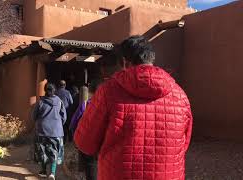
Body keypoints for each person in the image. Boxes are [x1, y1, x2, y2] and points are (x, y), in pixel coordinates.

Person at [74, 35, 193, 180]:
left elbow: (85, 143)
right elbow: (183, 144)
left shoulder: (108, 91)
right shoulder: (180, 95)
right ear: (151, 59)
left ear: (125, 62)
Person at [32, 83, 67, 180]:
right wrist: (58, 125)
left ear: (45, 90)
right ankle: (52, 173)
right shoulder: (59, 102)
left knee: (42, 150)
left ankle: (43, 171)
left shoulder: (40, 102)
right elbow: (64, 117)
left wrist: (39, 123)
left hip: (42, 130)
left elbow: (34, 116)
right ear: (54, 91)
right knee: (54, 152)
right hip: (56, 131)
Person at [70, 80, 101, 180]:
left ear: (90, 92)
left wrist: (75, 138)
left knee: (89, 169)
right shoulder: (106, 105)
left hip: (86, 142)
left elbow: (73, 123)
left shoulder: (84, 105)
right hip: (102, 145)